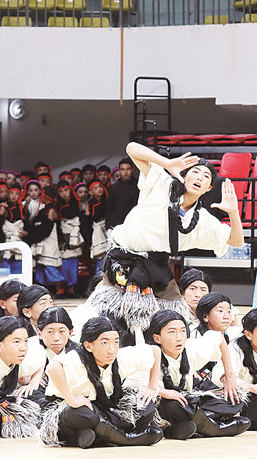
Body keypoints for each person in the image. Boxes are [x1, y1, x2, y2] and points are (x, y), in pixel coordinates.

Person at [75, 142, 243, 344]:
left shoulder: (203, 220)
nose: (200, 177)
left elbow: (236, 241)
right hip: (123, 262)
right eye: (195, 172)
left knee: (171, 325)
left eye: (206, 176)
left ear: (208, 188)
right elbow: (131, 148)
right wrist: (167, 163)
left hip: (157, 269)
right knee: (112, 323)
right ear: (184, 175)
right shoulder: (162, 183)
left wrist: (233, 212)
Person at [40, 316, 163, 448]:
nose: (112, 349)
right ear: (88, 345)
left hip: (105, 408)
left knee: (146, 405)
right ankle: (126, 439)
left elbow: (155, 351)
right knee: (83, 413)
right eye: (104, 343)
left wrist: (152, 387)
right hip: (70, 410)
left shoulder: (120, 356)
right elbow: (53, 367)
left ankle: (95, 437)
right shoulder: (76, 358)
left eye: (116, 342)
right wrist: (71, 398)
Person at [145, 310, 250, 440]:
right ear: (157, 338)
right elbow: (135, 387)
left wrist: (230, 375)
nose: (179, 337)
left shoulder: (191, 349)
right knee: (173, 405)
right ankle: (215, 429)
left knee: (234, 398)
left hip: (189, 400)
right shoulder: (149, 355)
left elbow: (217, 337)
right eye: (172, 332)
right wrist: (164, 392)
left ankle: (186, 426)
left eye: (183, 331)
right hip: (165, 405)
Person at [57, 180, 83, 297]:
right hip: (62, 237)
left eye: (66, 190)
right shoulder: (57, 205)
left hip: (74, 236)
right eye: (61, 191)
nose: (64, 193)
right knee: (61, 264)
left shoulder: (76, 203)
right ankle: (61, 289)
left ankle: (71, 289)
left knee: (73, 264)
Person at [105, 157, 139, 234]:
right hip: (117, 224)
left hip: (134, 223)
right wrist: (108, 226)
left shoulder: (138, 186)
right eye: (122, 169)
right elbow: (109, 208)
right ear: (119, 171)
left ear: (132, 170)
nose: (125, 172)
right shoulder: (113, 188)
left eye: (128, 169)